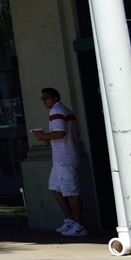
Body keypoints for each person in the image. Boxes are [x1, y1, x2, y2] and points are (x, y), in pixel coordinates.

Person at [32, 87, 86, 237]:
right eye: (42, 98)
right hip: (62, 157)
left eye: (46, 98)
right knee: (55, 187)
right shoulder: (63, 110)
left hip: (64, 158)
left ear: (55, 98)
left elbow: (60, 133)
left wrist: (43, 136)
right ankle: (70, 219)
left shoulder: (56, 112)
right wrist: (46, 137)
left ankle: (79, 224)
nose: (44, 100)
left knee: (71, 191)